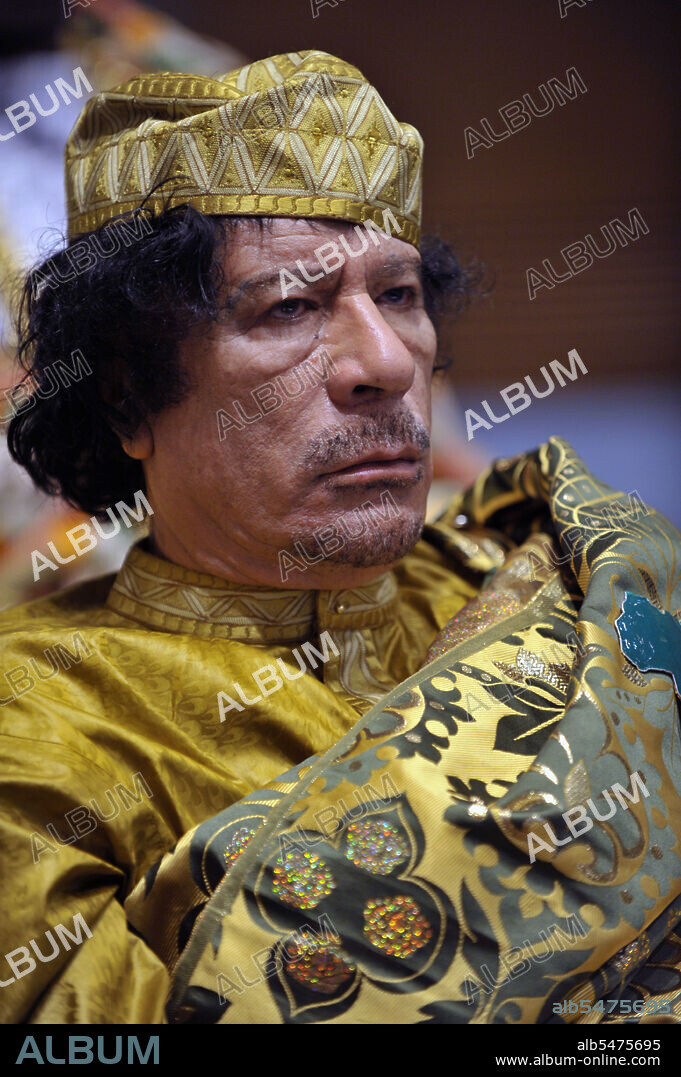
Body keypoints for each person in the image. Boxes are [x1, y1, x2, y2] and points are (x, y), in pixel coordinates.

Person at [1, 50, 680, 1025]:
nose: (385, 361)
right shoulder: (33, 734)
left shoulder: (562, 588)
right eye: (288, 307)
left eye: (400, 296)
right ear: (125, 394)